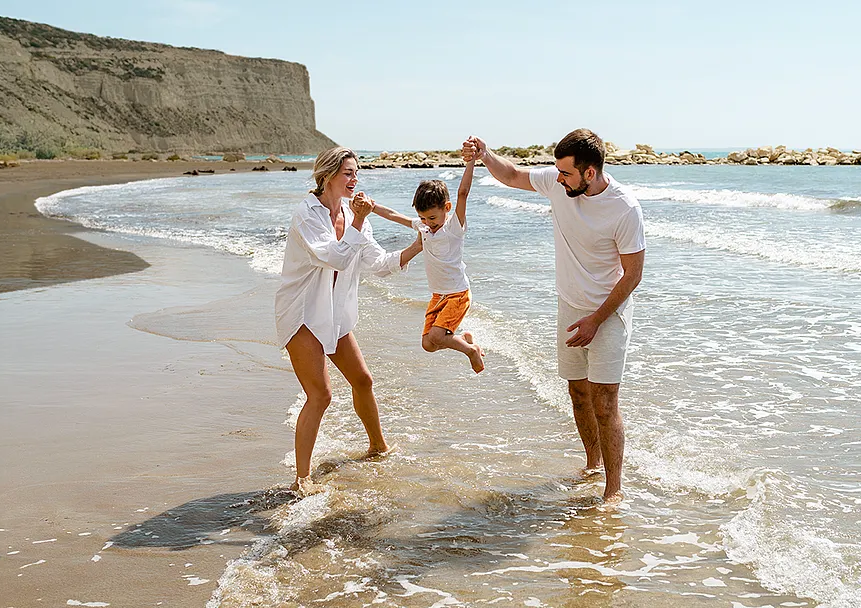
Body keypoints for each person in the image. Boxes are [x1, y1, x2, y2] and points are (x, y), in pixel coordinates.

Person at [462, 129, 645, 506]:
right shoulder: (559, 183)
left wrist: (596, 319)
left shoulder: (624, 208)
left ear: (589, 173)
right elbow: (512, 175)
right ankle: (592, 463)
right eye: (558, 172)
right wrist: (485, 153)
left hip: (608, 313)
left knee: (605, 400)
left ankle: (613, 489)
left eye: (566, 173)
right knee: (578, 392)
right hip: (569, 306)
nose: (558, 179)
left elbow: (633, 276)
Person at [274, 146, 423, 495]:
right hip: (302, 313)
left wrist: (419, 245)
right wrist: (357, 220)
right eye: (348, 173)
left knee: (363, 380)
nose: (355, 180)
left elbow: (379, 264)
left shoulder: (355, 216)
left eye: (357, 173)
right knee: (321, 395)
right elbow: (335, 258)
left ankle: (378, 447)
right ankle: (302, 479)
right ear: (327, 176)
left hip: (334, 312)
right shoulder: (307, 214)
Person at [370, 156, 485, 373]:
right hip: (437, 295)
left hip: (457, 294)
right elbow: (395, 216)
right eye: (422, 218)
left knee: (436, 336)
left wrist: (470, 161)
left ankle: (471, 351)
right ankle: (464, 340)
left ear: (446, 208)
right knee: (428, 344)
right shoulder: (423, 228)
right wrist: (372, 207)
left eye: (432, 218)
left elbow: (463, 193)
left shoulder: (453, 228)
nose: (427, 223)